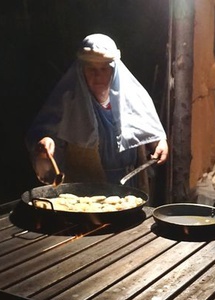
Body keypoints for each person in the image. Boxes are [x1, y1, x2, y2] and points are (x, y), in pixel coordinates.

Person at [26, 33, 168, 188]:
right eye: (91, 69)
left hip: (129, 184)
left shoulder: (132, 98)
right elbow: (44, 136)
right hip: (85, 191)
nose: (98, 75)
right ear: (81, 71)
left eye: (104, 69)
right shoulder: (68, 102)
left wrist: (159, 142)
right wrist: (46, 143)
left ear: (114, 71)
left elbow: (150, 131)